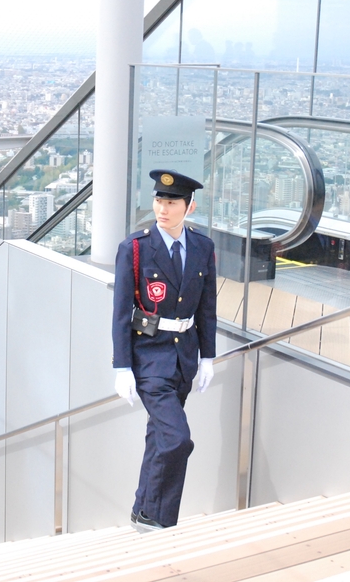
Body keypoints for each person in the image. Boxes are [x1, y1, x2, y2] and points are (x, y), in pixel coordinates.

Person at [111, 169, 217, 532]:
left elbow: (207, 308)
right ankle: (160, 520)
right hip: (149, 358)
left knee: (159, 437)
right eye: (159, 200)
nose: (163, 209)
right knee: (177, 440)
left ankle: (142, 510)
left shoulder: (202, 247)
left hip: (184, 358)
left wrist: (207, 357)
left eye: (172, 202)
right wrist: (122, 367)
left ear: (190, 207)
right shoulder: (135, 248)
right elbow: (121, 312)